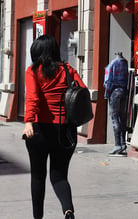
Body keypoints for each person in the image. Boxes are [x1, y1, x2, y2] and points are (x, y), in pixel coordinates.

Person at [22, 34, 85, 219]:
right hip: (65, 131)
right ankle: (68, 211)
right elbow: (82, 92)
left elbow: (32, 98)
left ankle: (38, 217)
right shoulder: (68, 69)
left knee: (38, 176)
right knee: (59, 176)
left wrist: (28, 122)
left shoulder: (33, 71)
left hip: (39, 130)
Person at [104, 52, 129, 155]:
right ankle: (123, 144)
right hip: (123, 90)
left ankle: (117, 144)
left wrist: (107, 93)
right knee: (122, 117)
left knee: (114, 118)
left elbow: (108, 79)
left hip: (114, 91)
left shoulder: (113, 63)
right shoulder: (125, 62)